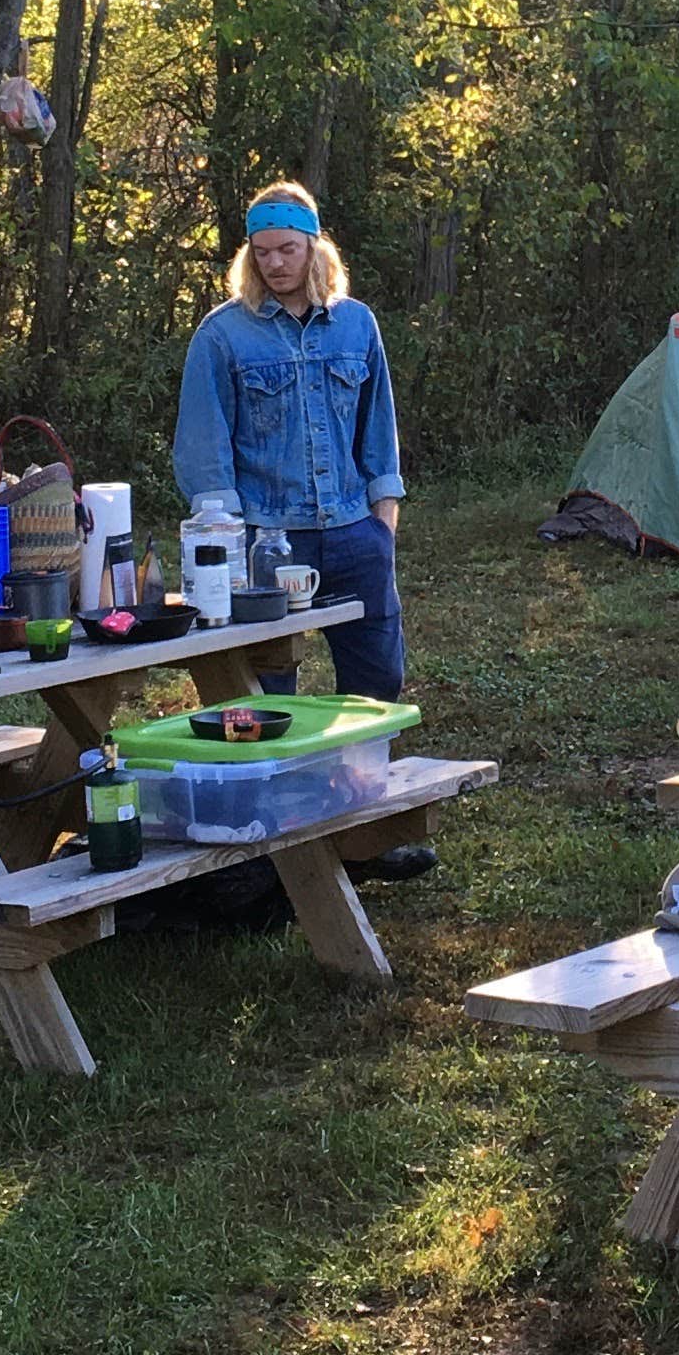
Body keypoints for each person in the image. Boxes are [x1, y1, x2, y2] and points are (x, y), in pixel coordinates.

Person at [171, 182, 433, 878]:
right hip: (266, 543)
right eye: (262, 253)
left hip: (353, 535)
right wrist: (227, 543)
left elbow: (380, 433)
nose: (276, 264)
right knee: (264, 699)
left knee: (374, 691)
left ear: (315, 247)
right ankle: (272, 854)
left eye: (288, 249)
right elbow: (203, 449)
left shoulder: (357, 325)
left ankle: (368, 839)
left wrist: (384, 522)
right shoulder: (223, 335)